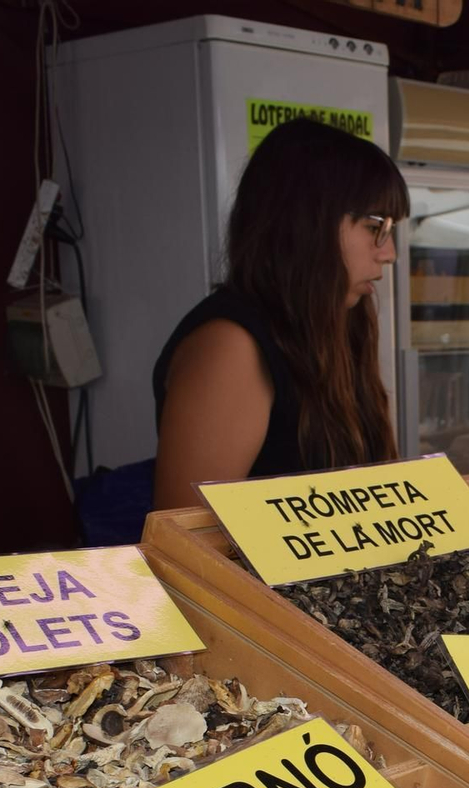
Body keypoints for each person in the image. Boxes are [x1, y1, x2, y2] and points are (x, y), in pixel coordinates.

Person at [151, 118, 409, 510]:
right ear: (309, 223)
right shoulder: (232, 345)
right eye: (376, 226)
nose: (389, 252)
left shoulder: (341, 321)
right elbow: (188, 540)